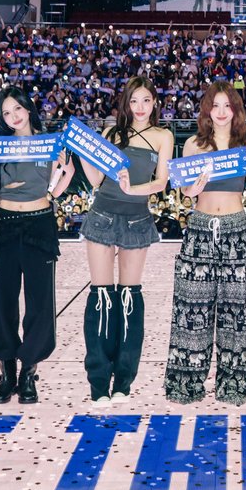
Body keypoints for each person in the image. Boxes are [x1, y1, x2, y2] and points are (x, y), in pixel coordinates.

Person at [165, 81, 246, 403]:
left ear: (236, 110)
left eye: (228, 106)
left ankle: (233, 384)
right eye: (216, 105)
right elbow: (184, 193)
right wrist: (191, 191)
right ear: (207, 110)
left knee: (236, 312)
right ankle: (186, 383)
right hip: (199, 229)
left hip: (237, 230)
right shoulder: (193, 145)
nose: (222, 112)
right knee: (191, 308)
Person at [0, 85, 75, 405]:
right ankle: (7, 371)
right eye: (6, 113)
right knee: (2, 299)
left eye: (17, 108)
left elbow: (60, 182)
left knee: (39, 300)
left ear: (28, 108)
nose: (13, 116)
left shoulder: (49, 143)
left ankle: (29, 370)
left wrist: (64, 172)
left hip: (39, 222)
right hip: (4, 223)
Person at [78, 77, 175, 405]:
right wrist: (83, 155)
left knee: (130, 299)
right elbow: (97, 180)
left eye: (146, 100)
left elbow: (161, 182)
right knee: (101, 298)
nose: (140, 107)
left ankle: (123, 379)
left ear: (154, 102)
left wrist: (133, 189)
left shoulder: (163, 136)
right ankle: (98, 381)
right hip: (102, 215)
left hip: (136, 219)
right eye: (134, 101)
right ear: (126, 104)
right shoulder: (111, 133)